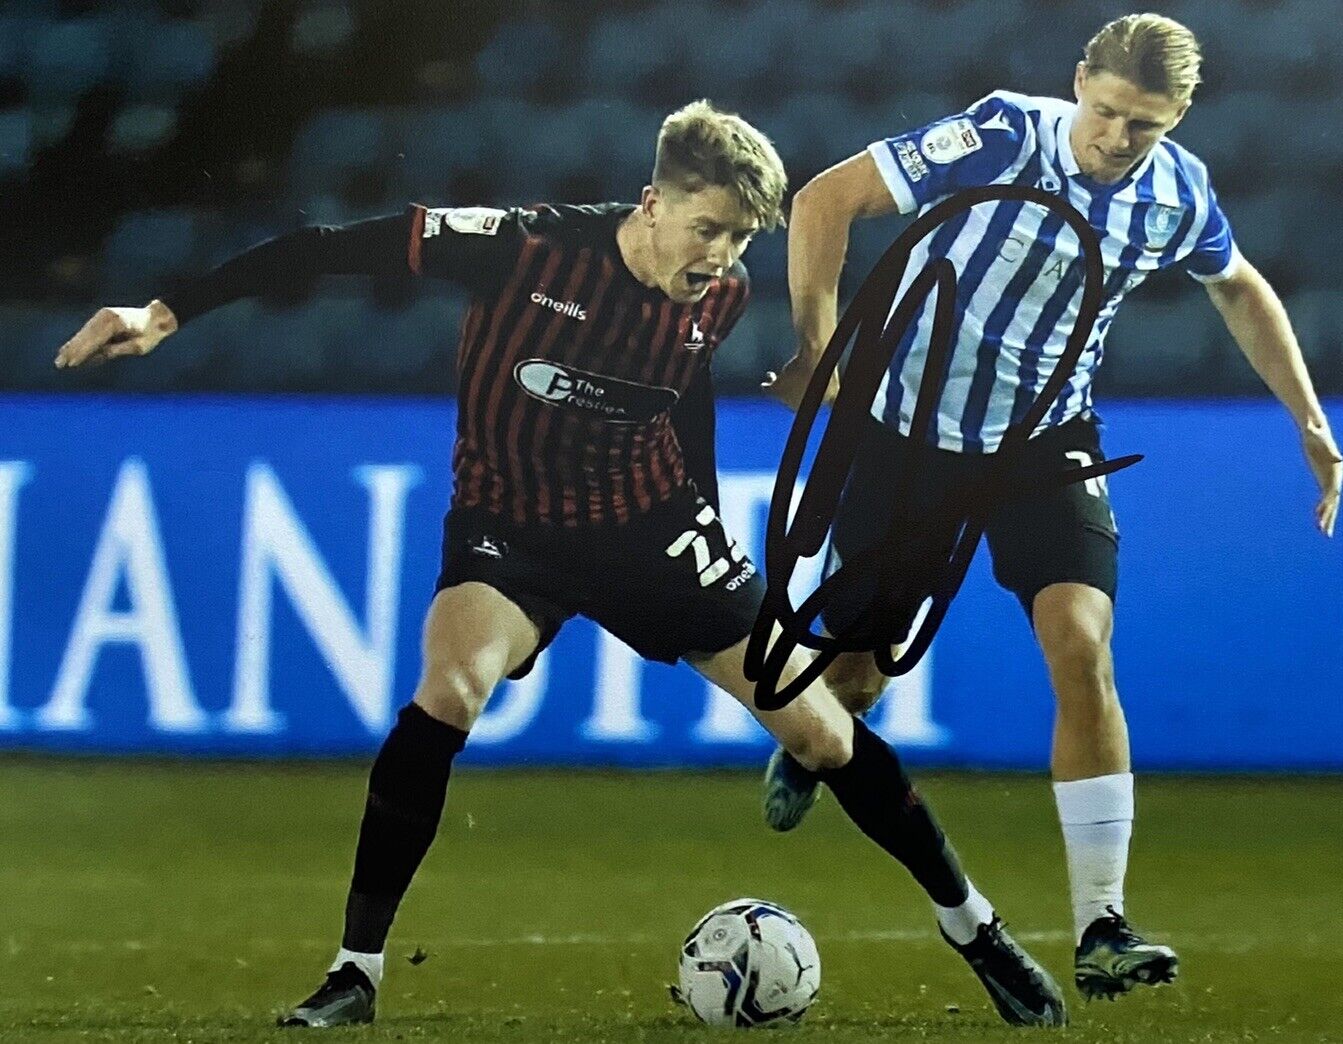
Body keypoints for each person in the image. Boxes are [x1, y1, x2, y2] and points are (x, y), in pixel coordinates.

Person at [55, 101, 1067, 1028]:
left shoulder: (717, 293)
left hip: (650, 528)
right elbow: (325, 250)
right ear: (652, 202)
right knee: (448, 693)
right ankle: (356, 972)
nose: (718, 257)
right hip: (512, 531)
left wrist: (706, 517)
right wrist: (166, 314)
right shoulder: (519, 246)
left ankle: (973, 929)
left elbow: (684, 393)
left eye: (738, 239)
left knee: (823, 731)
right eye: (706, 229)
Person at [762, 13, 1343, 1002]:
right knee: (851, 678)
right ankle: (827, 735)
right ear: (1080, 81)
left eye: (1145, 126)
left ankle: (1100, 925)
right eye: (1109, 111)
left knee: (1080, 643)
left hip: (1045, 440)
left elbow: (1237, 288)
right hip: (911, 432)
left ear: (1178, 119)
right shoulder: (1001, 135)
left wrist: (1309, 417)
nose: (1118, 140)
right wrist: (819, 347)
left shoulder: (1176, 195)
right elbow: (824, 200)